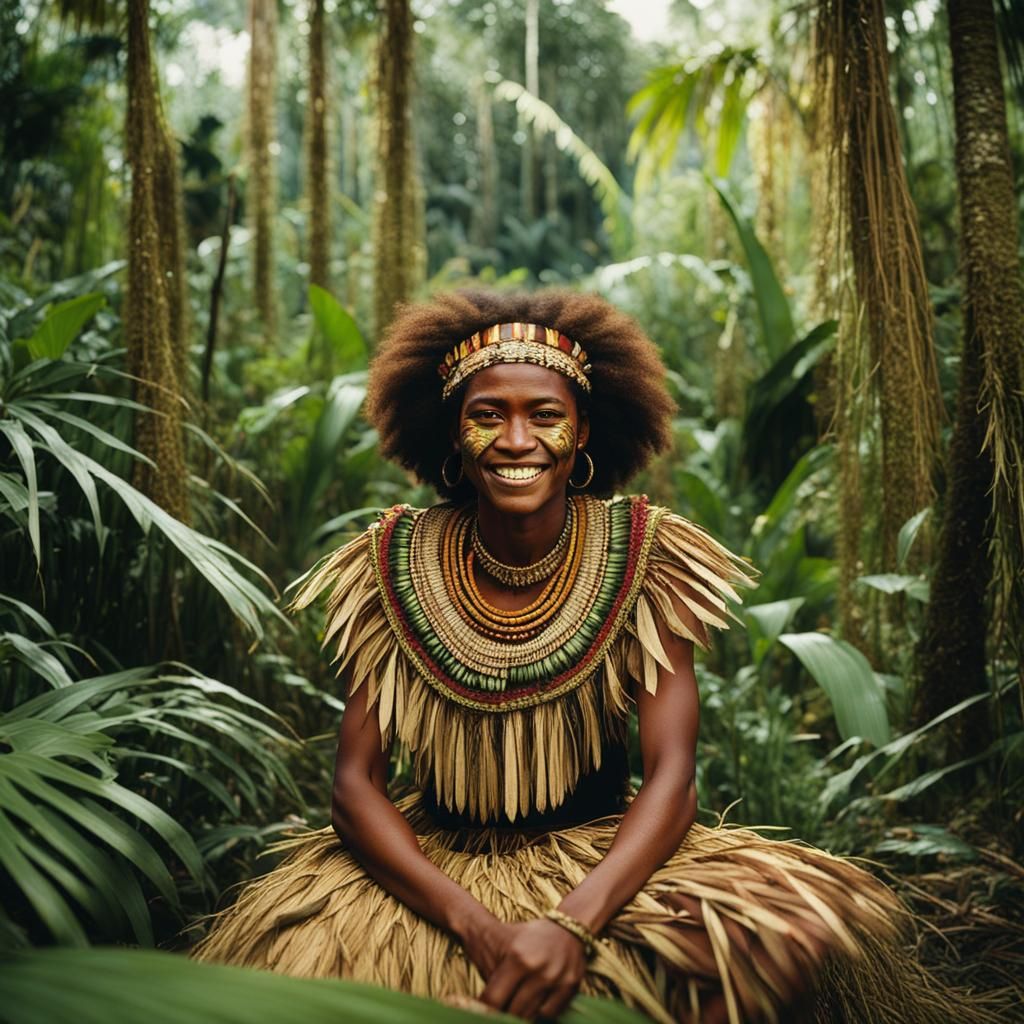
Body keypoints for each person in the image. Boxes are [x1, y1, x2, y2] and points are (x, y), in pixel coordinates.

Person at [192, 289, 991, 1024]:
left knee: (794, 933)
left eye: (544, 415)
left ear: (581, 438)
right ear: (451, 439)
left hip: (598, 860)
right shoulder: (390, 563)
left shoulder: (644, 555)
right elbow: (356, 786)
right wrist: (479, 928)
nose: (516, 440)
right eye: (487, 416)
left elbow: (672, 775)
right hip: (431, 869)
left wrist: (571, 924)